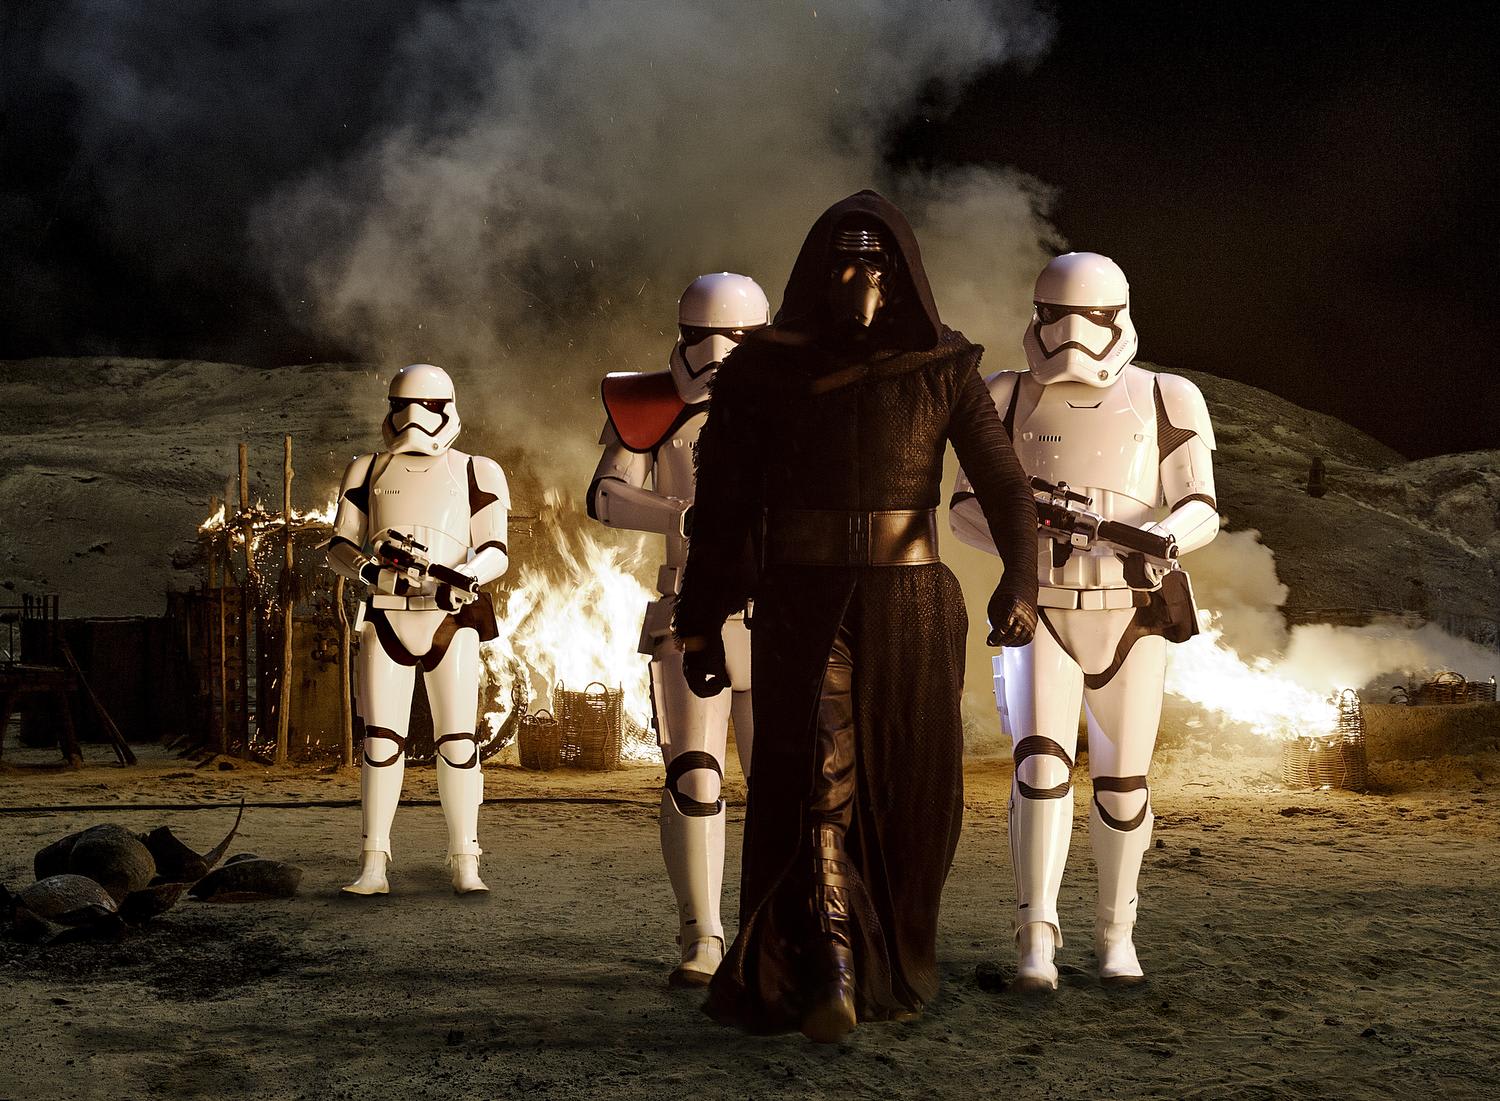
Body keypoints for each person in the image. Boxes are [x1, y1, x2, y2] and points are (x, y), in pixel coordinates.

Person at [673, 190, 1038, 1041]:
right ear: (814, 269)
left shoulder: (943, 367)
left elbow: (1004, 485)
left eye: (875, 259)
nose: (858, 276)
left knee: (907, 787)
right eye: (843, 258)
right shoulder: (763, 370)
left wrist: (1020, 582)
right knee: (820, 773)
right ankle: (830, 964)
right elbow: (724, 505)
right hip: (804, 599)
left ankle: (880, 958)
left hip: (912, 603)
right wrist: (701, 616)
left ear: (900, 271)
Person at [950, 252, 1220, 989]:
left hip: (1131, 612)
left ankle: (1115, 934)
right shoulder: (1005, 394)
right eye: (1056, 318)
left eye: (1089, 319)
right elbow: (966, 506)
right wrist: (1029, 535)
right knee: (1039, 769)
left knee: (1123, 784)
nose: (1072, 336)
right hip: (1039, 606)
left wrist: (1158, 538)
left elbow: (1200, 504)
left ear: (1116, 317)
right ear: (1038, 316)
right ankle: (1036, 936)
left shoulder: (1166, 396)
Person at [587, 272, 770, 986]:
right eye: (701, 336)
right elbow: (606, 494)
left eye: (733, 338)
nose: (716, 353)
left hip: (777, 609)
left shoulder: (799, 400)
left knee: (782, 782)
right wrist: (682, 514)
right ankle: (703, 935)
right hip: (689, 606)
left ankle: (769, 932)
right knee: (693, 774)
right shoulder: (652, 405)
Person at [327, 363, 511, 896]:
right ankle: (374, 862)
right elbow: (341, 543)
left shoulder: (477, 470)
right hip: (386, 611)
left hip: (450, 617)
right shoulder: (366, 469)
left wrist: (464, 578)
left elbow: (495, 548)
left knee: (459, 741)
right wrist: (371, 572)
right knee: (380, 743)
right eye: (402, 405)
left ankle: (465, 858)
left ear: (446, 409)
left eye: (426, 407)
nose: (413, 418)